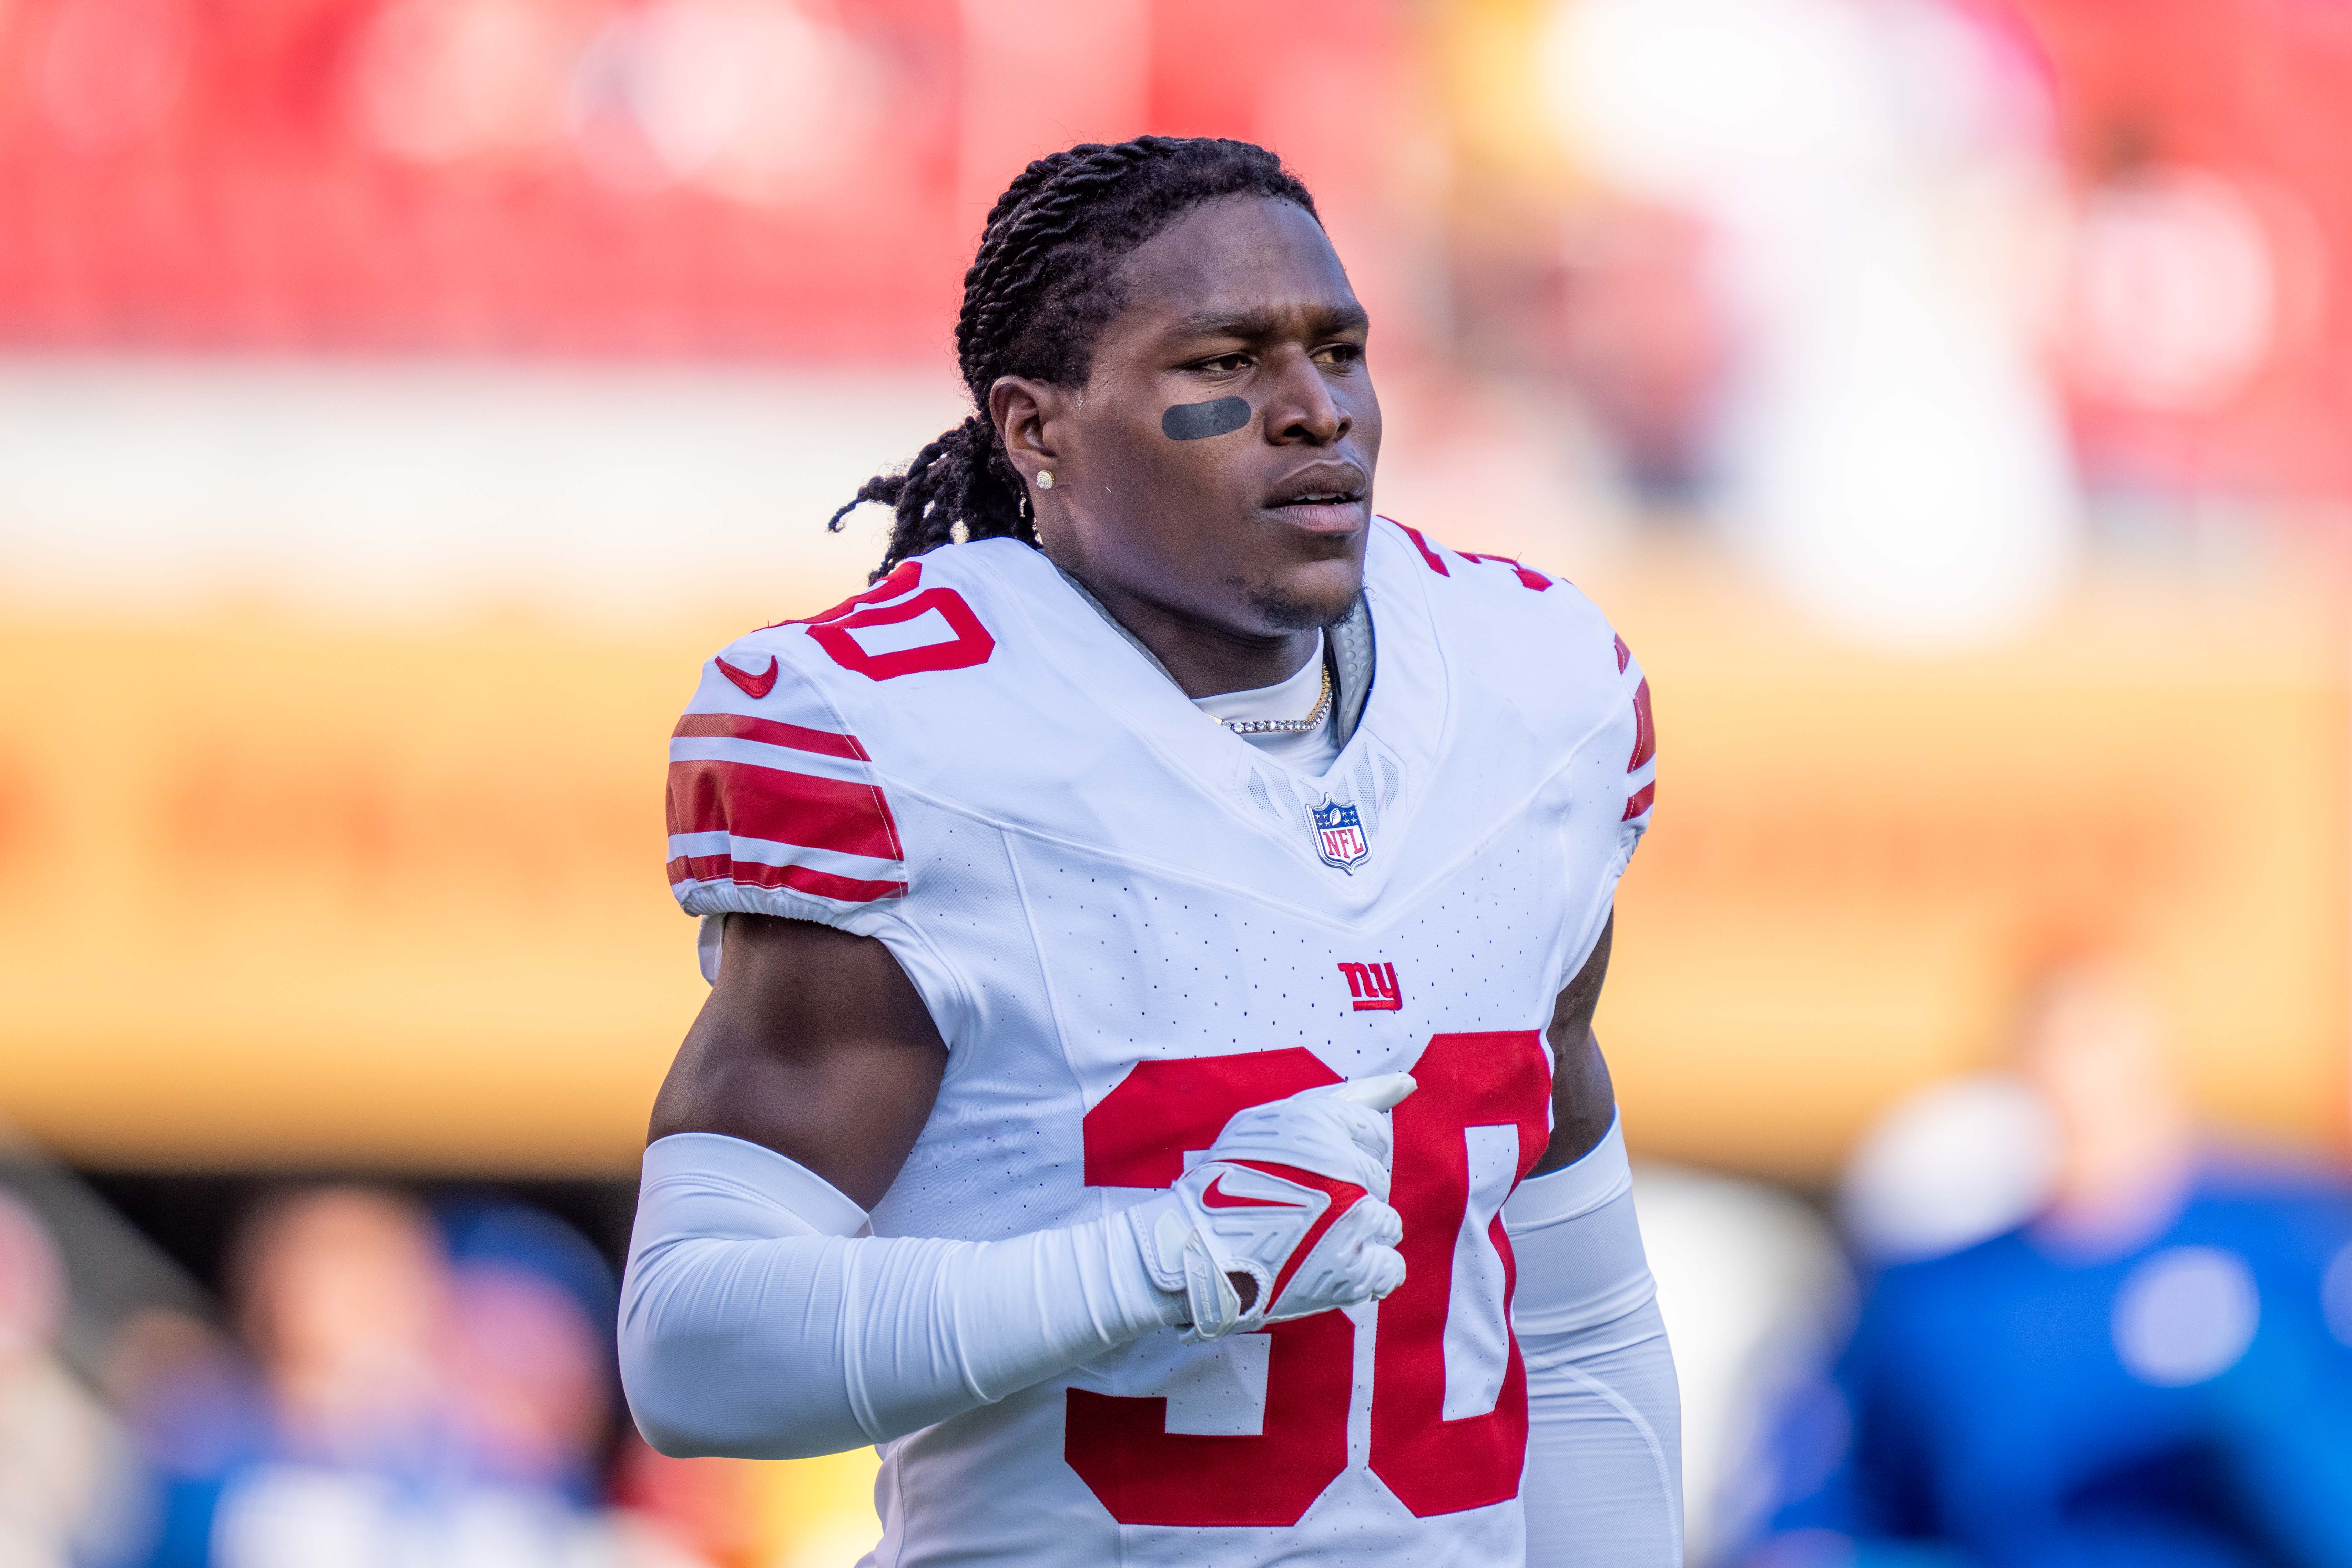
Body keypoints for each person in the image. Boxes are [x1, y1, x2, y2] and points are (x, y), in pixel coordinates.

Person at [619, 135, 1678, 1567]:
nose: (1314, 413)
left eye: (1339, 351)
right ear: (1035, 429)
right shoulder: (914, 740)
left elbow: (1575, 1313)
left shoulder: (1527, 695)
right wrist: (1155, 1264)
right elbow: (691, 1349)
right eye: (1220, 365)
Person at [1749, 964, 2352, 1568]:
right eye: (2056, 1065)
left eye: (2108, 1060)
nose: (2084, 1092)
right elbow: (1836, 1504)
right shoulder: (1937, 1299)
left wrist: (2267, 1394)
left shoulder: (2290, 1247)